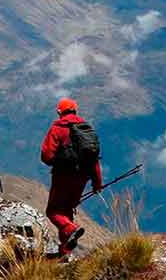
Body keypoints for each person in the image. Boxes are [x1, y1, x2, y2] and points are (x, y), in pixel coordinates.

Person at [40, 98, 103, 256]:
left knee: (54, 211)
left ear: (59, 112)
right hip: (82, 178)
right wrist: (97, 183)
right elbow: (93, 158)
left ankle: (71, 230)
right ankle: (65, 251)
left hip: (62, 176)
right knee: (66, 211)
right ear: (76, 110)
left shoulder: (57, 128)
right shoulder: (86, 129)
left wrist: (58, 162)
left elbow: (46, 156)